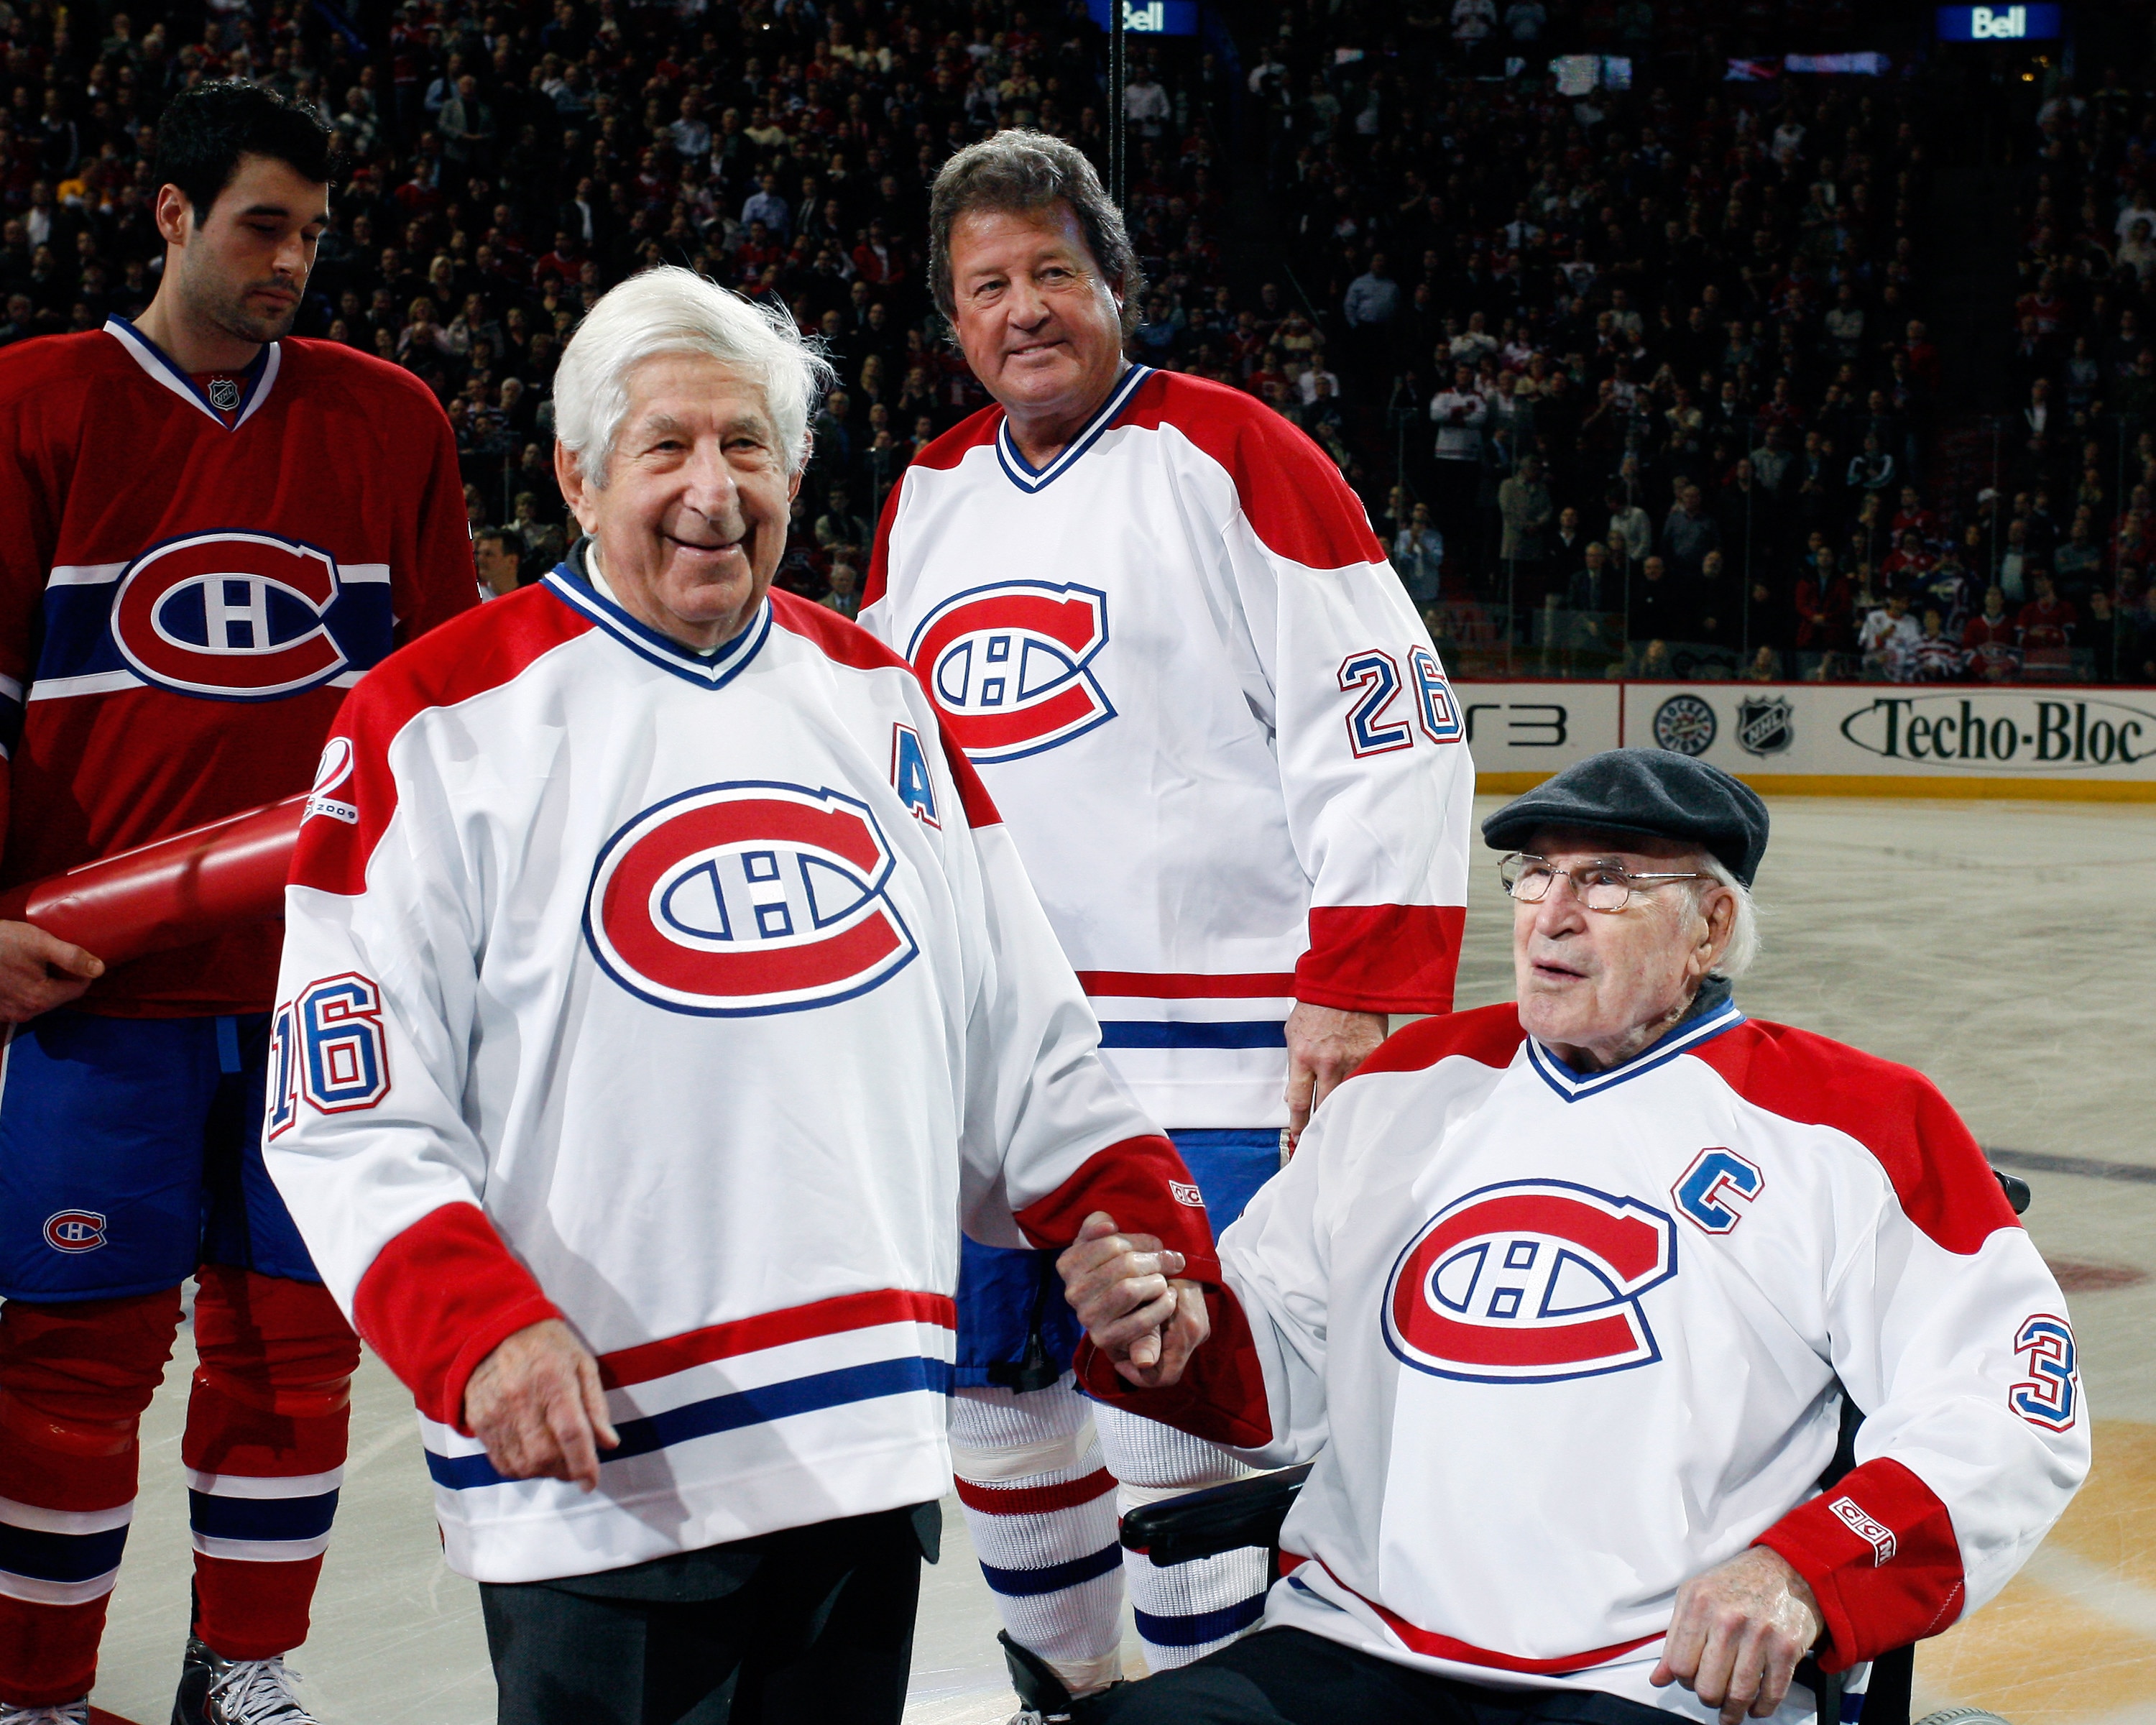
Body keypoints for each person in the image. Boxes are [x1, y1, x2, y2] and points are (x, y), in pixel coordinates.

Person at [262, 267, 1221, 1725]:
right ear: (578, 476)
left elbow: (1026, 1045)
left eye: (749, 446)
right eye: (667, 447)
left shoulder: (882, 702)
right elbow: (343, 1109)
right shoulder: (432, 721)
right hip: (604, 1472)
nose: (714, 489)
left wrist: (1135, 1235)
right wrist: (481, 1335)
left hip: (863, 1452)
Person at [1061, 750, 2090, 1725]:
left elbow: (2012, 1408)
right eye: (1535, 875)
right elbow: (1280, 1360)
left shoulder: (1855, 1124)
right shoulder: (1400, 1090)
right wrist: (1173, 1327)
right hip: (1351, 1640)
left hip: (1654, 1679)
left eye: (1606, 882)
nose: (1551, 915)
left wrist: (1805, 1568)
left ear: (1711, 924)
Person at [860, 132, 1473, 1702]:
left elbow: (1391, 717)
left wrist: (1360, 983)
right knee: (999, 1398)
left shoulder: (1233, 450)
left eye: (1053, 272)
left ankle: (1215, 1708)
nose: (1024, 310)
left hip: (1208, 1050)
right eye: (986, 287)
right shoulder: (928, 491)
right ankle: (1065, 1691)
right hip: (992, 1055)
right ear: (953, 320)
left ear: (1116, 283)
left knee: (1178, 1410)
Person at [0, 83, 473, 1725]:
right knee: (71, 1360)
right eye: (264, 224)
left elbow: (446, 716)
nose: (293, 261)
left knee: (292, 1351)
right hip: (88, 992)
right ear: (170, 217)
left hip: (318, 992)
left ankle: (243, 1669)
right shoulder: (31, 406)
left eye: (315, 236)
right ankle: (39, 1692)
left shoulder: (387, 415)